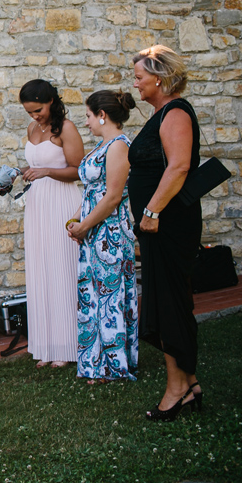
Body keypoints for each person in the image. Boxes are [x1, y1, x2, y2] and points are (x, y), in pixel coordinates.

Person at [128, 46, 203, 421]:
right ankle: (188, 382)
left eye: (140, 76)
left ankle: (177, 389)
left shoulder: (175, 113)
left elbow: (179, 166)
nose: (136, 83)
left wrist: (152, 211)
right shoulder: (159, 113)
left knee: (170, 302)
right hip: (155, 225)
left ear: (159, 78)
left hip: (169, 224)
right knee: (166, 299)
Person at [67, 91, 138, 384]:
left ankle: (113, 366)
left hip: (109, 234)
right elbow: (91, 193)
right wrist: (75, 220)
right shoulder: (102, 145)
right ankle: (95, 364)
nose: (85, 123)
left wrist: (85, 226)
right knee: (93, 297)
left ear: (102, 115)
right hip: (93, 232)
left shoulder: (119, 147)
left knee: (109, 298)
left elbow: (111, 198)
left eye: (87, 116)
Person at [19, 79, 84, 368]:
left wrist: (46, 171)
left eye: (38, 110)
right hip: (37, 205)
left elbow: (79, 170)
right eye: (30, 112)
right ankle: (46, 345)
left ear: (51, 101)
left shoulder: (65, 128)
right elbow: (36, 163)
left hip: (61, 203)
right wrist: (23, 172)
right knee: (41, 270)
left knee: (62, 269)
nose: (35, 117)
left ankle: (69, 344)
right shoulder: (33, 128)